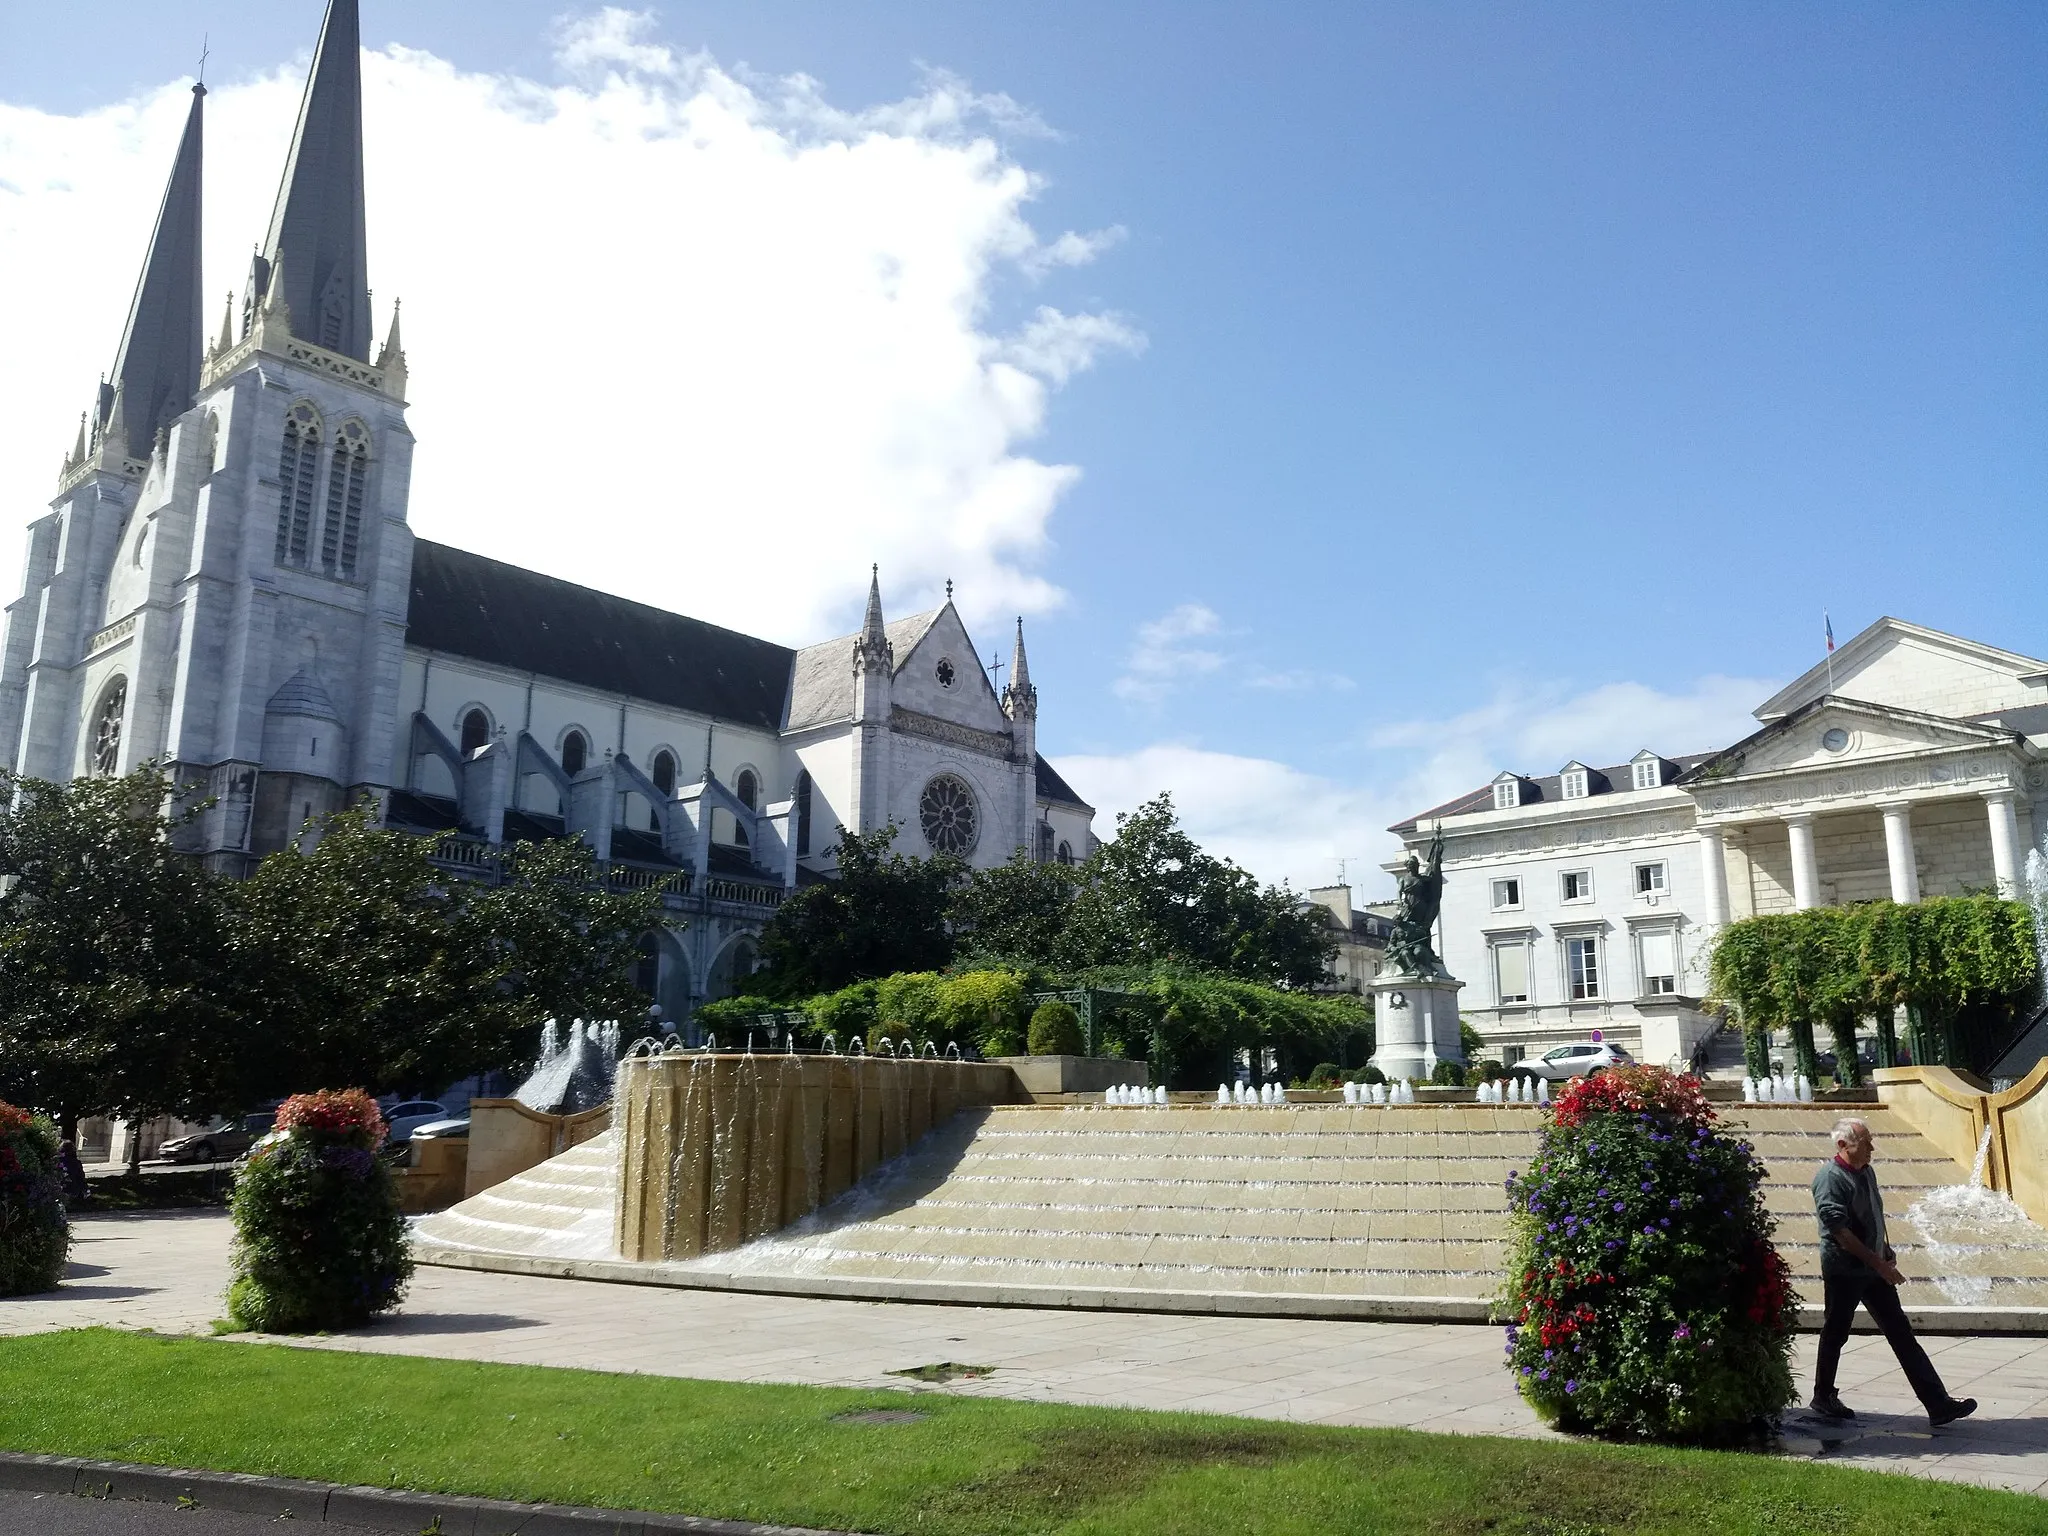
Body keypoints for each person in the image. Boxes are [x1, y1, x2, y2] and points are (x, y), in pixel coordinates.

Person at [1809, 1117, 1975, 1426]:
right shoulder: (1830, 1179)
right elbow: (1840, 1233)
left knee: (1901, 1333)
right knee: (1836, 1331)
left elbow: (1873, 1214)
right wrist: (1879, 1263)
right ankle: (1823, 1396)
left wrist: (1885, 1250)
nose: (1872, 1147)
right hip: (1844, 1271)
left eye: (1871, 1141)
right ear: (1843, 1145)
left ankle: (1938, 1405)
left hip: (1873, 1268)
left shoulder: (1867, 1171)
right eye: (1866, 1143)